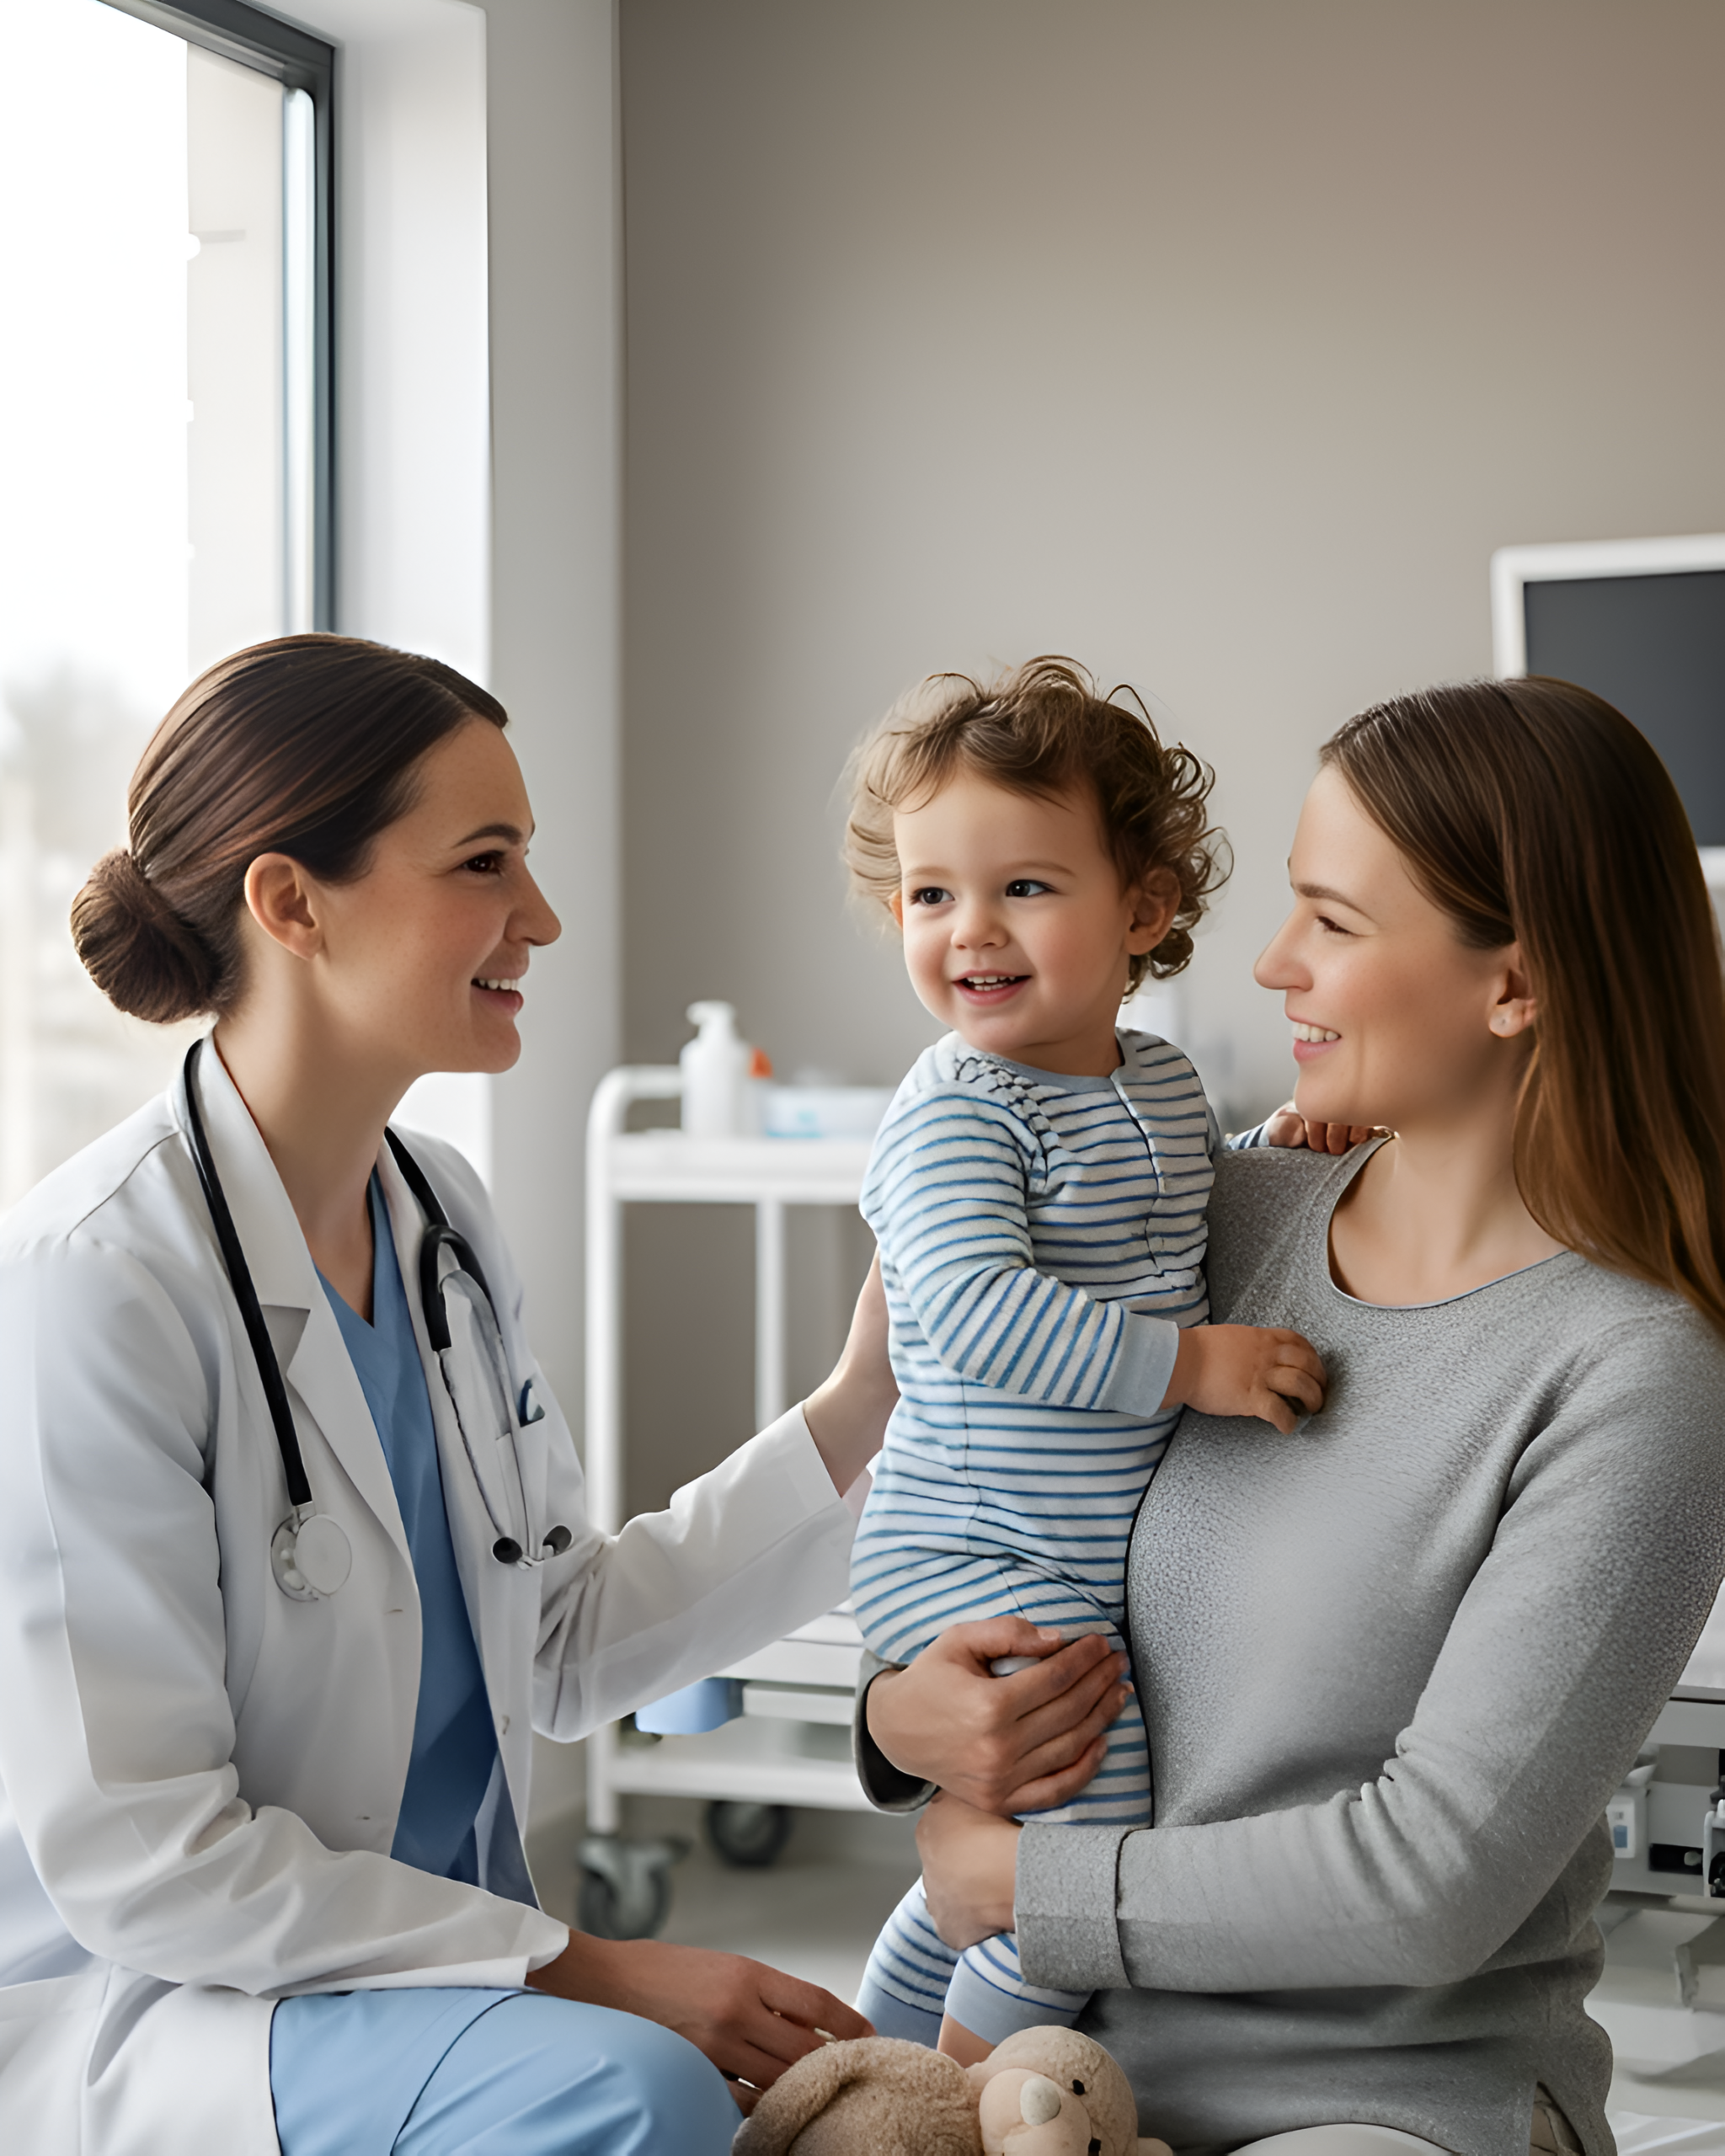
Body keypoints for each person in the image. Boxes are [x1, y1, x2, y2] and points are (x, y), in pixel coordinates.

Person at [0, 634, 894, 2156]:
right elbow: (146, 1854)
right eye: (485, 863)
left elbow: (557, 1637)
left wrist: (860, 1401)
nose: (538, 917)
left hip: (427, 1968)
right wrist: (591, 1969)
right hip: (176, 2001)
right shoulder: (96, 1280)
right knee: (647, 2092)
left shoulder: (442, 1222)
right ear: (290, 903)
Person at [853, 677, 1725, 2156]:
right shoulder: (1222, 1210)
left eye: (1331, 920)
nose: (1268, 964)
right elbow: (970, 1470)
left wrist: (1023, 1890)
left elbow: (1431, 1880)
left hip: (1378, 2097)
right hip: (1059, 2058)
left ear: (1513, 984)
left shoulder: (1636, 1372)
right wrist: (896, 1723)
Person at [840, 658, 1332, 2059]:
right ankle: (979, 2092)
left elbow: (1164, 1218)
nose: (971, 931)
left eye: (1027, 888)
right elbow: (982, 1309)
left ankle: (863, 2069)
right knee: (1086, 1818)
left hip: (1060, 1541)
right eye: (933, 895)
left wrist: (1265, 1160)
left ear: (1146, 912)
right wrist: (1193, 1369)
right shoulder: (957, 1116)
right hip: (971, 1538)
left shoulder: (1158, 1079)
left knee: (1003, 1843)